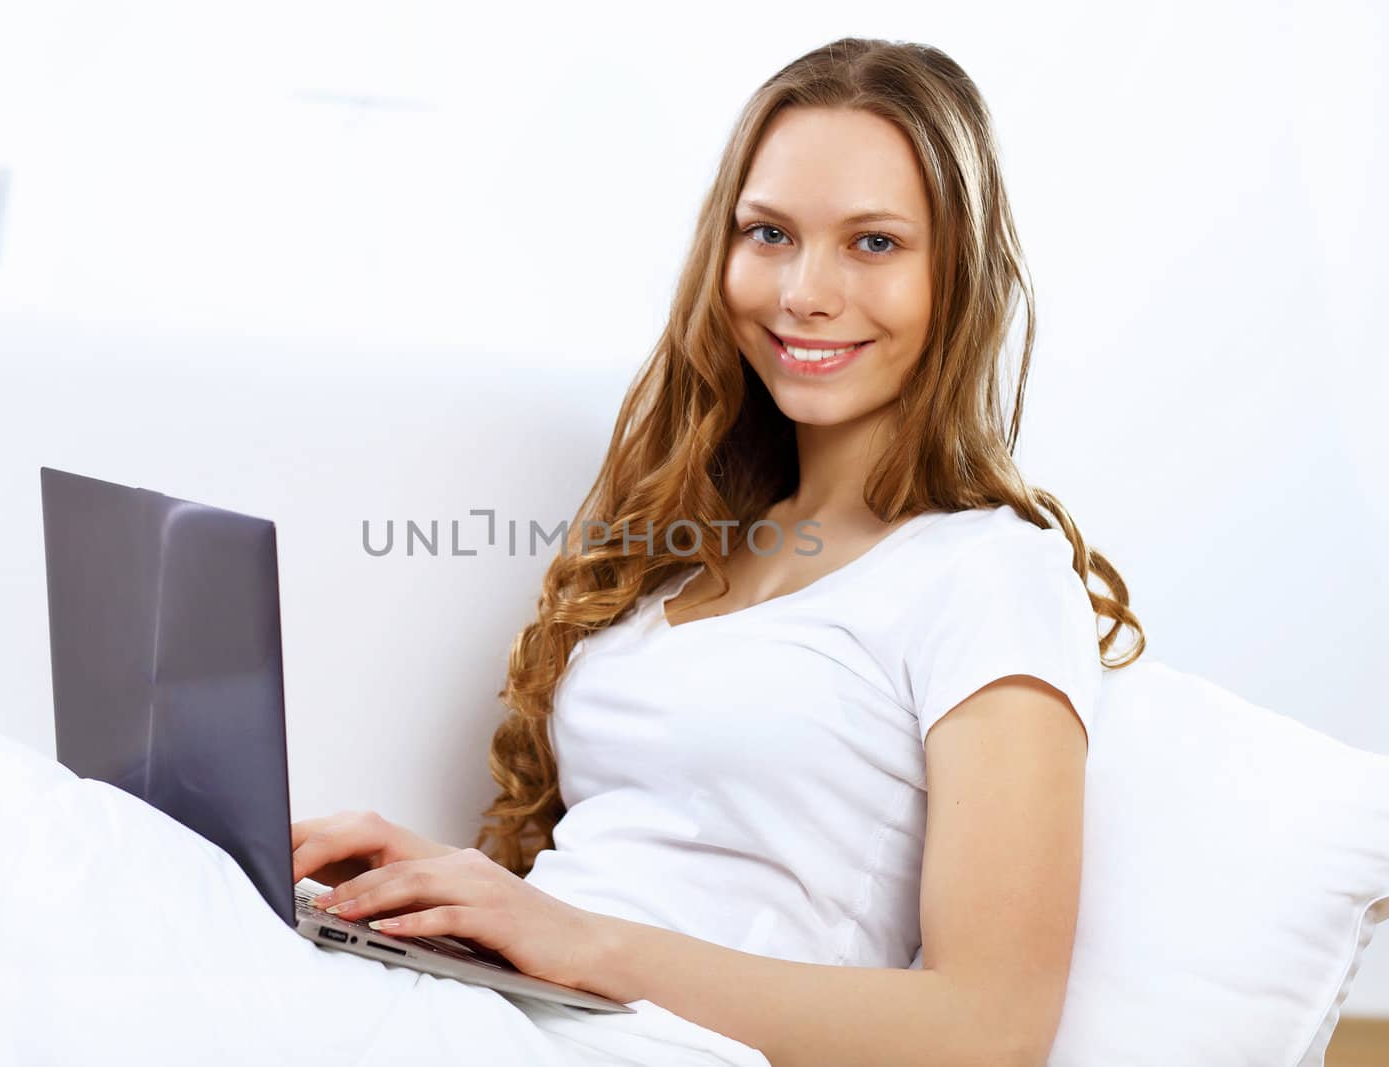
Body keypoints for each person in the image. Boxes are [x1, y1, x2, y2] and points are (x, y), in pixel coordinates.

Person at [291, 34, 1146, 1067]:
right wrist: (455, 890)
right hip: (510, 1011)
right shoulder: (688, 548)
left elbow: (989, 1027)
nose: (804, 292)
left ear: (956, 273)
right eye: (769, 232)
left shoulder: (989, 575)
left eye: (873, 242)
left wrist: (577, 944)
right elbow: (650, 868)